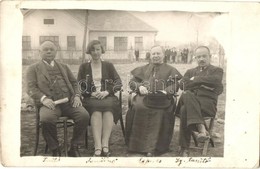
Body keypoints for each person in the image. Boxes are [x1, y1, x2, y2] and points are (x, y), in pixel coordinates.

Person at [26, 40, 90, 157]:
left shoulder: (64, 67)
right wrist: (44, 99)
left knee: (84, 115)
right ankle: (55, 148)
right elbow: (31, 88)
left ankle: (74, 146)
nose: (49, 51)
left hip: (69, 103)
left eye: (52, 49)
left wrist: (76, 96)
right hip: (50, 105)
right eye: (45, 49)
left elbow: (75, 83)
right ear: (39, 52)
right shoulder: (33, 68)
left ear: (56, 52)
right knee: (46, 119)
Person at [125, 45, 182, 156]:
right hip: (143, 97)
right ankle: (136, 146)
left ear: (163, 55)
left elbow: (175, 84)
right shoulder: (143, 69)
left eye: (158, 53)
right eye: (153, 54)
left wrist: (165, 92)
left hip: (162, 99)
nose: (156, 56)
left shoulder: (171, 70)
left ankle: (154, 147)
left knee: (160, 111)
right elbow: (132, 82)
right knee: (139, 107)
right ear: (150, 55)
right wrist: (139, 87)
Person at [176, 46, 224, 157]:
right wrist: (203, 84)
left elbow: (215, 81)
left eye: (204, 56)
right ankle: (201, 128)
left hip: (207, 105)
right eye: (198, 57)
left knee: (184, 108)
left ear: (210, 57)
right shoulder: (190, 71)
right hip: (191, 103)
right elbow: (182, 85)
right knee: (186, 96)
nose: (201, 59)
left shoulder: (217, 70)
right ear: (195, 58)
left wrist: (194, 80)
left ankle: (184, 148)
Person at [77, 40, 122, 157]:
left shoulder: (109, 65)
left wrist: (106, 92)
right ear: (89, 51)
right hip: (90, 98)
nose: (96, 52)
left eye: (98, 49)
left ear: (102, 50)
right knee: (96, 111)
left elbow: (118, 82)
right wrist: (91, 93)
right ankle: (97, 145)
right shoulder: (84, 67)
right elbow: (79, 85)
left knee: (108, 109)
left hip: (107, 96)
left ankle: (105, 144)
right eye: (93, 50)